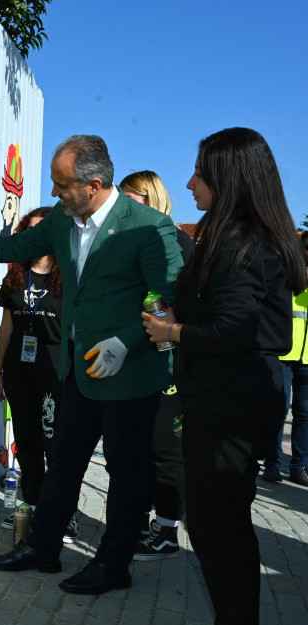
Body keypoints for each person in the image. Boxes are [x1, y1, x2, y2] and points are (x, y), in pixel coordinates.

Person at [0, 135, 183, 595]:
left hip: (130, 375)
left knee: (125, 475)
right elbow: (12, 247)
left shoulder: (147, 227)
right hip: (80, 371)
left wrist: (125, 343)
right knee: (63, 463)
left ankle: (113, 565)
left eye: (63, 186)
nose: (55, 193)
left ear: (94, 184)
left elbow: (167, 297)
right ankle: (43, 548)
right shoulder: (64, 220)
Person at [142, 128, 306, 625]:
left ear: (228, 178)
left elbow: (238, 328)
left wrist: (174, 334)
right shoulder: (242, 234)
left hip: (230, 405)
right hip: (230, 399)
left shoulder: (240, 240)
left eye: (199, 172)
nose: (189, 182)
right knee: (218, 524)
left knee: (221, 530)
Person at [119, 170, 194, 561]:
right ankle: (145, 523)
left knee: (166, 448)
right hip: (140, 360)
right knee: (142, 447)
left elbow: (188, 304)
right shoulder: (136, 239)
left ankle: (167, 531)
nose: (122, 205)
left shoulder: (177, 241)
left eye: (131, 198)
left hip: (171, 363)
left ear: (150, 199)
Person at [0, 206, 76, 541]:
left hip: (55, 368)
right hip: (18, 369)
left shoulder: (68, 273)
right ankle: (34, 505)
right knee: (26, 440)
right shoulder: (15, 275)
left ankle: (63, 513)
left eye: (45, 230)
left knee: (56, 441)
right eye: (32, 230)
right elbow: (7, 326)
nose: (38, 236)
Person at [263, 228, 308, 487]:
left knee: (304, 413)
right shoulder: (288, 270)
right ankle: (272, 462)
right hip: (285, 351)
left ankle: (300, 465)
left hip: (307, 355)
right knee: (279, 409)